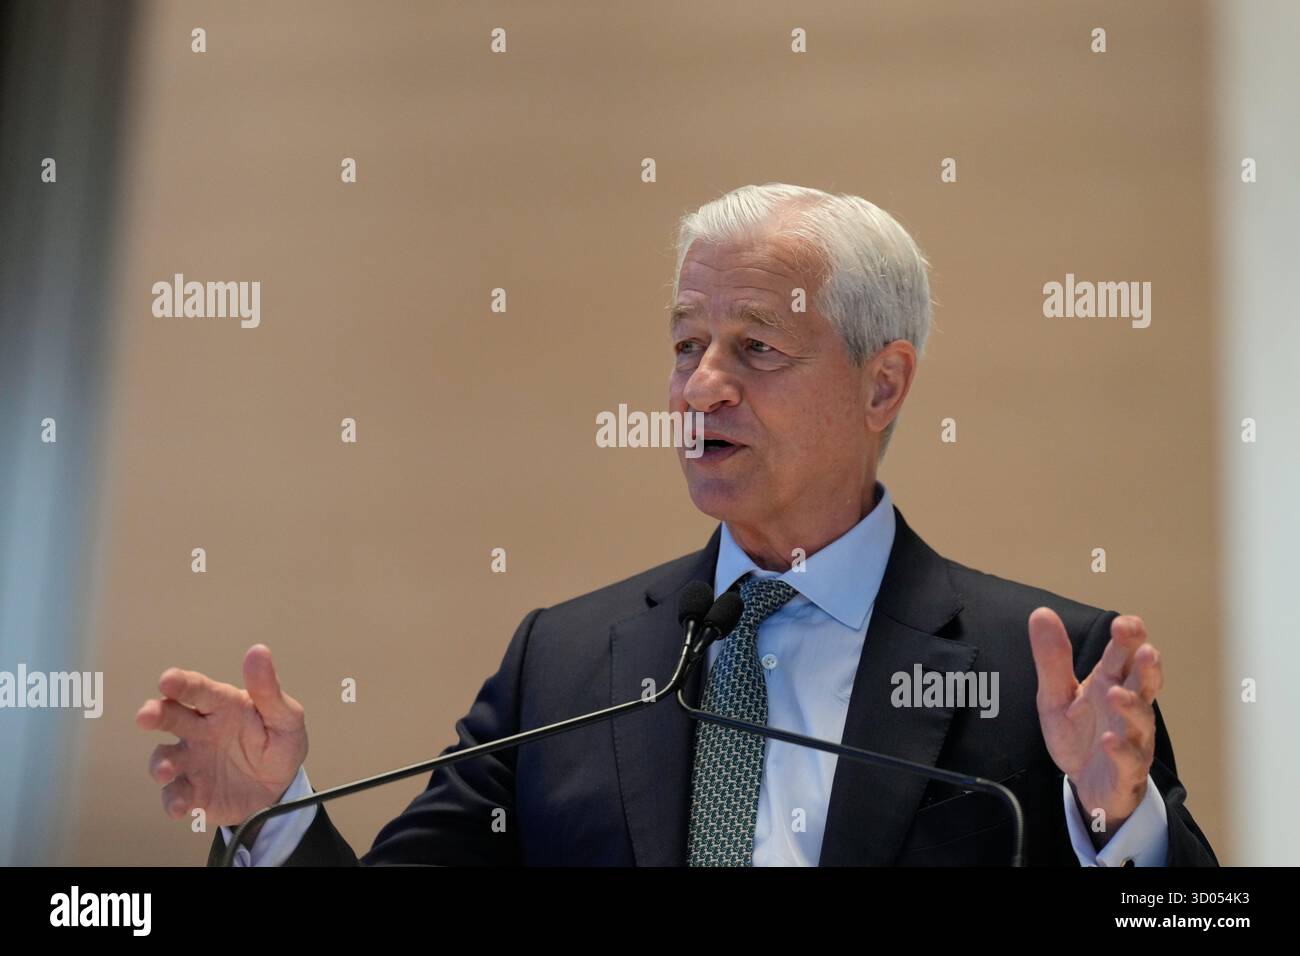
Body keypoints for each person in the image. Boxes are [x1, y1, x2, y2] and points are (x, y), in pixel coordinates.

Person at [137, 183, 1217, 866]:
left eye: (753, 349)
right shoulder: (564, 661)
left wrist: (1123, 833)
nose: (699, 387)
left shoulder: (1046, 673)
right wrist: (272, 813)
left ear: (882, 384)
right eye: (684, 343)